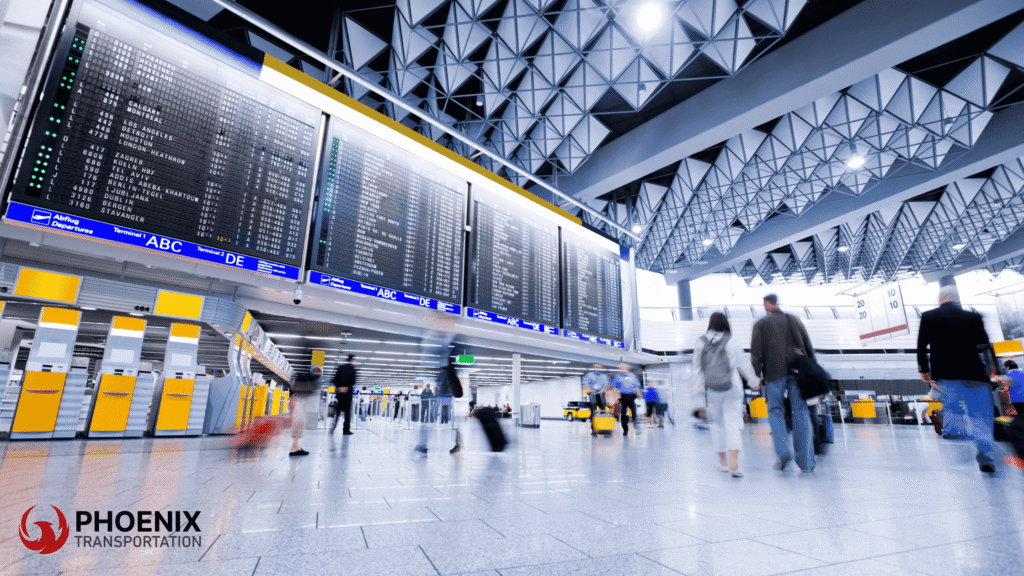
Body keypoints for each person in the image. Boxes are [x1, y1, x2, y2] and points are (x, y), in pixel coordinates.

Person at [917, 284, 998, 473]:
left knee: (952, 407)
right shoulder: (973, 317)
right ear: (956, 298)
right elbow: (986, 345)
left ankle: (957, 435)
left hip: (947, 374)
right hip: (975, 374)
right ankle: (985, 457)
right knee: (980, 417)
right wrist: (995, 369)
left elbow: (922, 346)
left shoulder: (929, 317)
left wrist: (924, 369)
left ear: (941, 298)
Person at [751, 294, 816, 472]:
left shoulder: (761, 324)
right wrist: (813, 370)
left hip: (774, 373)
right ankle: (807, 463)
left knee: (775, 410)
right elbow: (808, 346)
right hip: (798, 371)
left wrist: (755, 376)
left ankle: (782, 451)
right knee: (801, 411)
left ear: (766, 304)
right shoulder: (793, 319)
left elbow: (756, 353)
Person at [694, 312, 759, 477]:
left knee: (717, 425)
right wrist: (753, 381)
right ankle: (734, 465)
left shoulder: (700, 342)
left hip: (711, 390)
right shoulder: (731, 340)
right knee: (732, 424)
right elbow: (744, 364)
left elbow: (697, 368)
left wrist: (702, 388)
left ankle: (722, 462)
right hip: (732, 388)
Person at [288, 372, 320, 456]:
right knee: (299, 424)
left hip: (299, 405)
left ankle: (296, 447)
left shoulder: (298, 389)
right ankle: (294, 448)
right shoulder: (301, 391)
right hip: (299, 405)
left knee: (299, 424)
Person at [612, 363, 642, 436]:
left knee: (634, 412)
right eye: (621, 368)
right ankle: (625, 430)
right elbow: (614, 387)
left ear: (627, 368)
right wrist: (615, 396)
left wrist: (639, 394)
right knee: (623, 414)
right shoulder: (617, 376)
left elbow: (637, 386)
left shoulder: (633, 376)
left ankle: (636, 427)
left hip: (632, 396)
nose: (622, 369)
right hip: (622, 396)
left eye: (624, 367)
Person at [582, 364, 611, 436]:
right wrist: (590, 390)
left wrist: (603, 390)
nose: (597, 368)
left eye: (599, 366)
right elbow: (586, 384)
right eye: (595, 366)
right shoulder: (589, 375)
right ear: (593, 367)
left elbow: (607, 386)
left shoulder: (604, 376)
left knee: (603, 412)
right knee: (593, 412)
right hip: (593, 395)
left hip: (601, 395)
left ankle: (605, 429)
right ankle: (594, 430)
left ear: (601, 367)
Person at [331, 355, 356, 435]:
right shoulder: (353, 369)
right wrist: (347, 388)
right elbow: (353, 381)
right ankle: (346, 430)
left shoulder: (340, 368)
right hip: (348, 395)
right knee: (347, 413)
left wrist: (339, 387)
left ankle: (333, 425)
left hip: (339, 394)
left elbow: (334, 380)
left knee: (337, 411)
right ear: (352, 360)